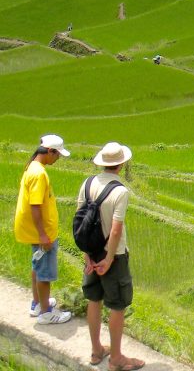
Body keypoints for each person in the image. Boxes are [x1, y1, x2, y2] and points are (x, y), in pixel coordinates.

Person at [78, 141, 144, 371]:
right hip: (113, 257)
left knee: (94, 299)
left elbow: (81, 223)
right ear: (121, 163)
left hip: (92, 253)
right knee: (117, 305)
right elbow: (116, 229)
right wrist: (108, 259)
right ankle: (115, 358)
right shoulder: (120, 191)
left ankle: (97, 351)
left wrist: (88, 256)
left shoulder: (86, 184)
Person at [14, 133, 73, 324]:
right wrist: (43, 235)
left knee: (37, 266)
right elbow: (35, 206)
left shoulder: (32, 167)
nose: (57, 159)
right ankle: (46, 313)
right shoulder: (39, 173)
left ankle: (38, 303)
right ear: (50, 151)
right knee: (44, 273)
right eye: (57, 155)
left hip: (35, 230)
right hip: (42, 232)